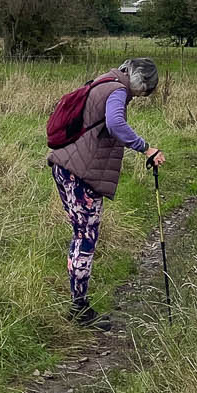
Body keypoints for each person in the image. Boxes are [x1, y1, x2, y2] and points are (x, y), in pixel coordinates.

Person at [47, 57, 164, 325]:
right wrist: (146, 147)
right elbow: (115, 125)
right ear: (142, 82)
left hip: (66, 166)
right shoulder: (118, 91)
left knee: (81, 234)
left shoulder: (105, 80)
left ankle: (79, 305)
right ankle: (79, 310)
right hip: (80, 173)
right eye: (147, 89)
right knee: (85, 237)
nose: (145, 95)